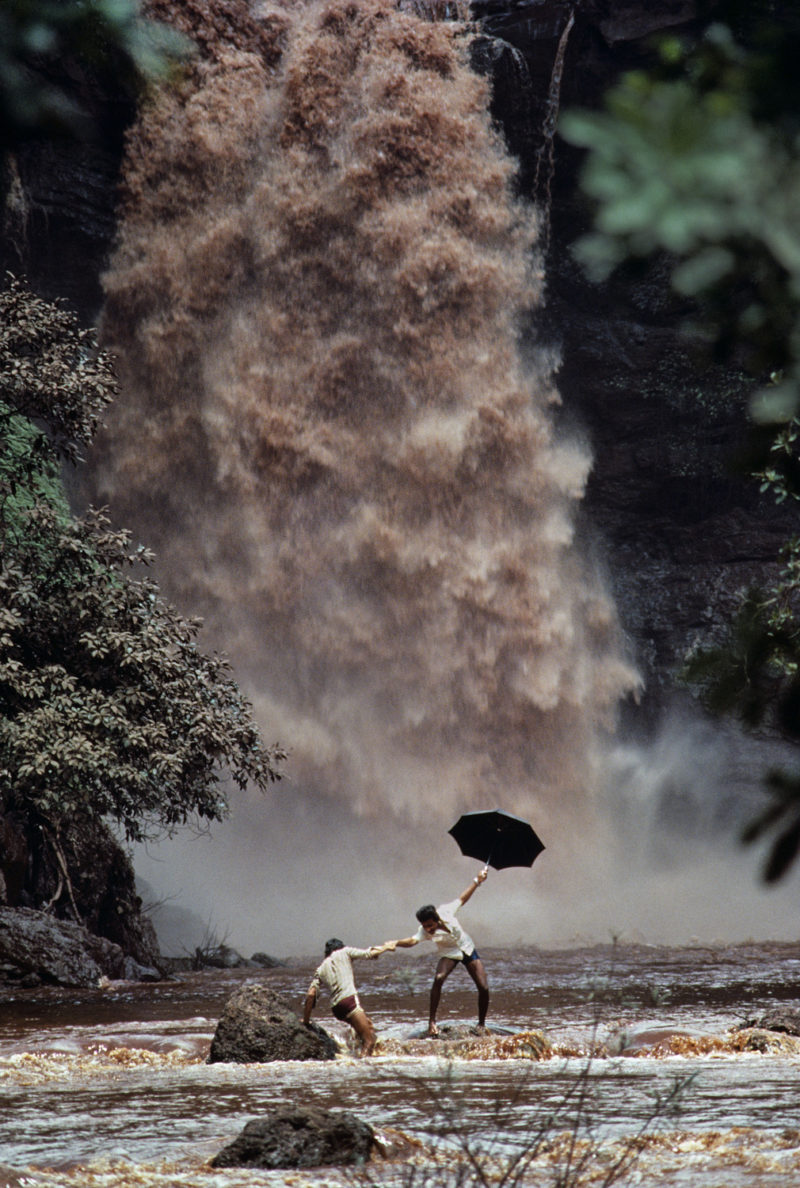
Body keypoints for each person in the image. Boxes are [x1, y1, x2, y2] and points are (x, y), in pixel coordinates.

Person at [382, 867, 489, 1036]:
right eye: (425, 926)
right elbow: (411, 941)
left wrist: (477, 881)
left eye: (430, 925)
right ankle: (432, 1022)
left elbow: (463, 898)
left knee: (483, 987)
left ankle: (481, 1024)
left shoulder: (446, 911)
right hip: (449, 952)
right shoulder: (424, 930)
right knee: (438, 978)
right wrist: (395, 943)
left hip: (466, 946)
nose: (428, 929)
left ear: (437, 919)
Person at [302, 936, 391, 1056]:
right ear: (340, 947)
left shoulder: (320, 968)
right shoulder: (345, 951)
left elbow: (311, 994)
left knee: (368, 1028)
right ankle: (360, 1067)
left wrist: (306, 1021)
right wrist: (387, 947)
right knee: (369, 1041)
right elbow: (369, 954)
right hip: (349, 1001)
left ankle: (355, 1053)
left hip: (337, 1009)